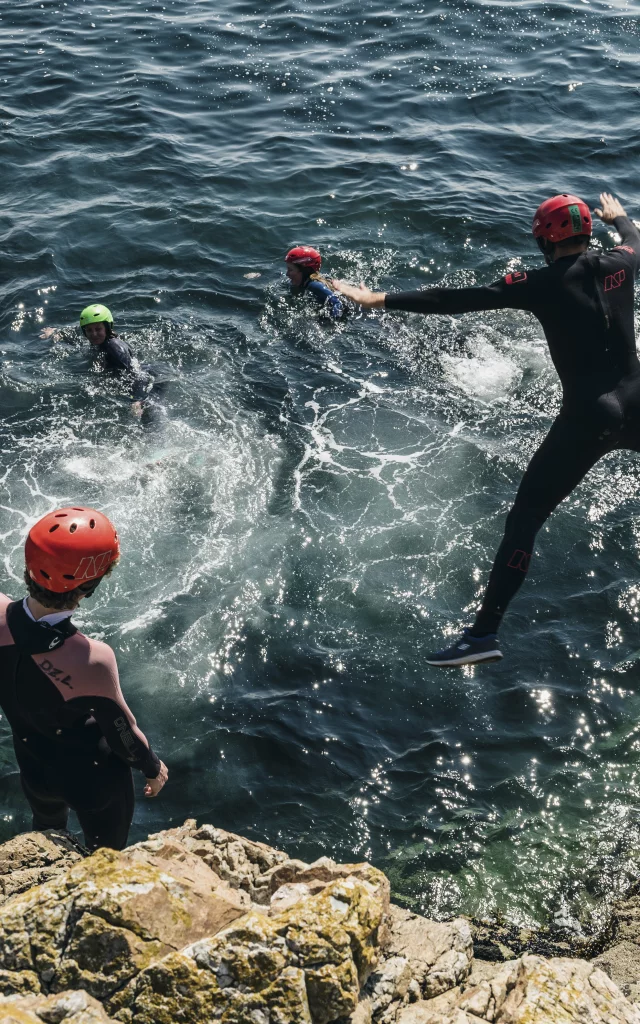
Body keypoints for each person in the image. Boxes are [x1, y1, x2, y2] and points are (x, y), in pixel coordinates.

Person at [333, 192, 640, 666]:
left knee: (524, 522)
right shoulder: (621, 260)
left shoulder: (540, 283)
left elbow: (454, 300)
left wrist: (377, 298)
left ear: (545, 239)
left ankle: (482, 635)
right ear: (588, 233)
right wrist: (619, 218)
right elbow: (635, 239)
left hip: (590, 417)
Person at [0, 506, 168, 849]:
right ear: (88, 587)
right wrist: (153, 767)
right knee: (106, 854)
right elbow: (123, 732)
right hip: (93, 779)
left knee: (45, 835)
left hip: (33, 767)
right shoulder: (92, 659)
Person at [42, 304, 154, 416]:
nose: (94, 334)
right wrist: (56, 334)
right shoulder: (97, 343)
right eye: (89, 330)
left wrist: (137, 400)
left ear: (107, 328)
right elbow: (78, 343)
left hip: (148, 385)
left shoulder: (115, 348)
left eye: (98, 329)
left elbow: (136, 375)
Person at [285, 246, 344, 318]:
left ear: (305, 270)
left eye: (290, 270)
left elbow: (337, 303)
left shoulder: (314, 285)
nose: (287, 274)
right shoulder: (303, 283)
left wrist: (331, 325)